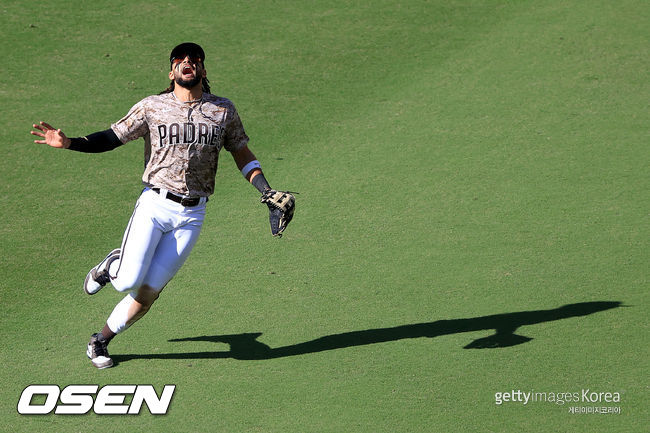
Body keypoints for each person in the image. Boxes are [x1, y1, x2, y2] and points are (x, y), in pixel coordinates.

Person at [30, 42, 294, 369]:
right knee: (127, 281)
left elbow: (241, 153)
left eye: (194, 59)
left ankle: (99, 340)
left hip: (193, 215)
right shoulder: (152, 107)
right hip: (155, 205)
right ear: (172, 72)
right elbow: (112, 138)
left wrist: (265, 190)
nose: (187, 62)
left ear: (203, 70)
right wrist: (70, 143)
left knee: (147, 295)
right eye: (180, 59)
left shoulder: (223, 111)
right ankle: (113, 265)